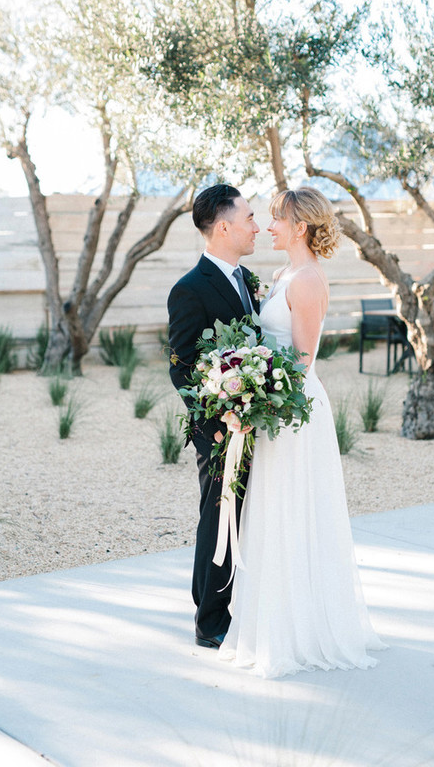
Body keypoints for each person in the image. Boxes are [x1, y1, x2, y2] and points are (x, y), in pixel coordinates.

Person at [219, 186, 387, 677]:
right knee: (273, 509)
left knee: (293, 509)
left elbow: (302, 359)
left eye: (276, 219)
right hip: (273, 408)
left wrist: (254, 392)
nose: (268, 226)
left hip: (293, 409)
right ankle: (269, 622)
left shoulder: (308, 279)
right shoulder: (281, 274)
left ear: (301, 227)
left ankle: (300, 631)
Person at [167, 183, 260, 649]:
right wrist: (220, 416)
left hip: (252, 421)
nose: (256, 226)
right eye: (248, 218)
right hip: (219, 429)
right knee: (220, 518)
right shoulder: (188, 289)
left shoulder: (249, 281)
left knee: (234, 517)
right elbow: (181, 364)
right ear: (222, 227)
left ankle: (209, 599)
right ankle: (210, 622)